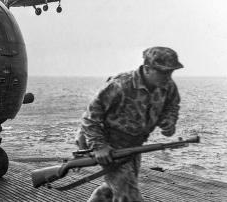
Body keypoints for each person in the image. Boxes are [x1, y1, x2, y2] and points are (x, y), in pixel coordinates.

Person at [78, 46, 183, 202]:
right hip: (107, 142)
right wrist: (99, 146)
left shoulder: (167, 86)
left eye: (170, 72)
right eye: (163, 72)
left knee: (111, 191)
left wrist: (169, 121)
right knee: (129, 195)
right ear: (147, 69)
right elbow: (90, 116)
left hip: (133, 145)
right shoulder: (121, 85)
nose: (168, 76)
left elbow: (172, 106)